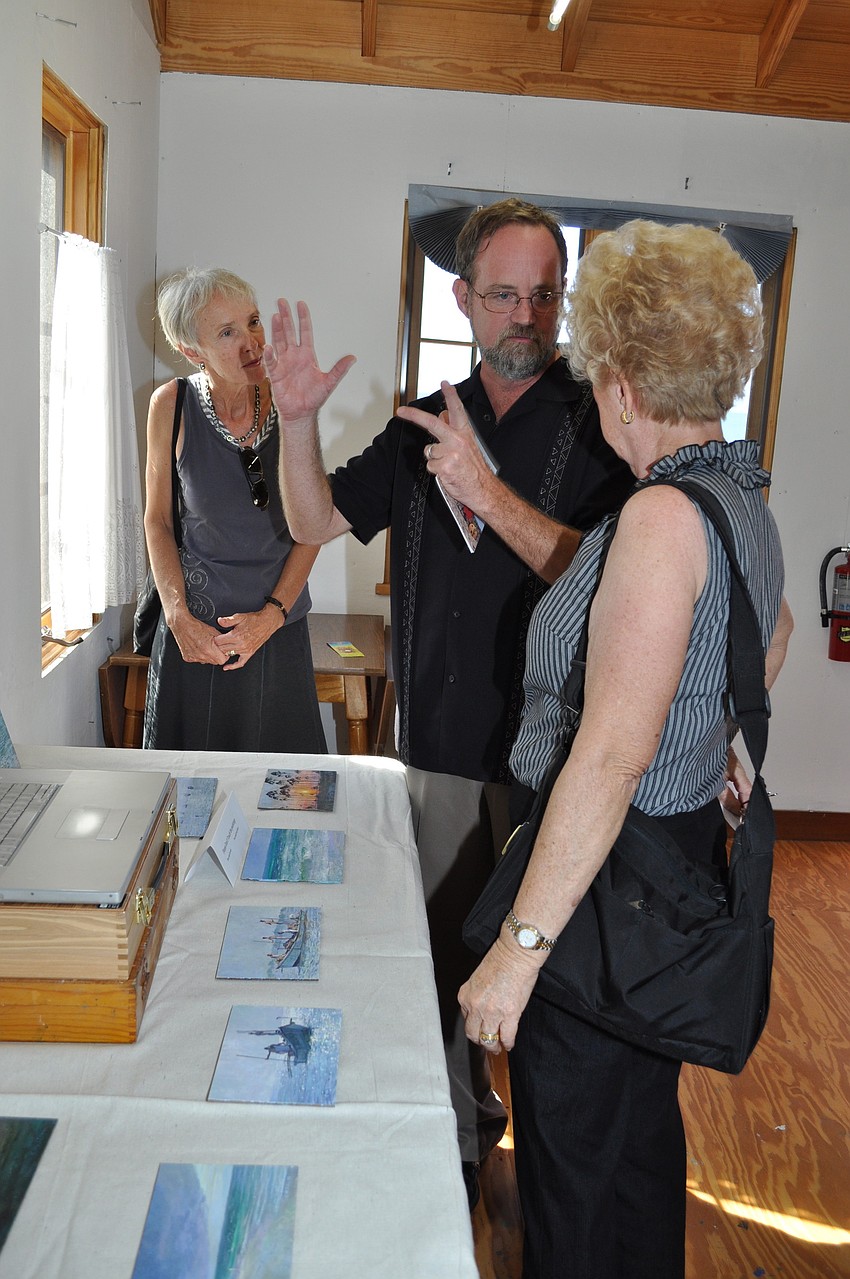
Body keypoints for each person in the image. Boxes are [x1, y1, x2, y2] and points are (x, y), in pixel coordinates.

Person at [262, 200, 634, 1195]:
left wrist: (487, 493)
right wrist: (294, 420)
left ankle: (550, 1173)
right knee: (430, 961)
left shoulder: (604, 422)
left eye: (543, 295)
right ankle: (454, 1146)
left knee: (545, 983)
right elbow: (308, 512)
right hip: (431, 752)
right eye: (504, 293)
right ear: (463, 298)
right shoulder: (420, 420)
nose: (525, 314)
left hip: (554, 765)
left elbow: (609, 581)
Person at [453, 220, 794, 1277]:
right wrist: (711, 737)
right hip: (674, 851)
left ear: (625, 385)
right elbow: (768, 636)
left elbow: (605, 755)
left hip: (611, 883)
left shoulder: (656, 516)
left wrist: (516, 952)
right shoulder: (739, 495)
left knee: (574, 1162)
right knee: (637, 1144)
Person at [141, 267, 326, 753]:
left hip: (276, 630)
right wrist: (177, 616)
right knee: (186, 801)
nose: (252, 343)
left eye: (253, 321)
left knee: (285, 799)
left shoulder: (290, 400)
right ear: (191, 351)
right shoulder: (170, 406)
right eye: (227, 332)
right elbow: (157, 521)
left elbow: (315, 524)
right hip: (197, 636)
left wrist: (272, 616)